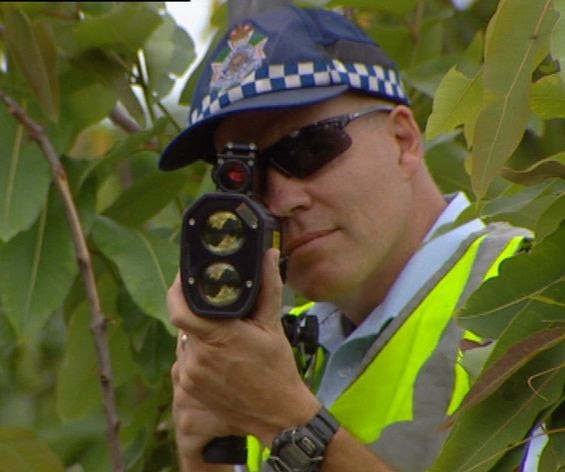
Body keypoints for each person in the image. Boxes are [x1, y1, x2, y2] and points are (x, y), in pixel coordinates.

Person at [160, 5, 531, 472]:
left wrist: (288, 420)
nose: (281, 201)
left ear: (403, 140)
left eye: (308, 148)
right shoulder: (267, 355)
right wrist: (207, 461)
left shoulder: (539, 289)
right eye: (248, 180)